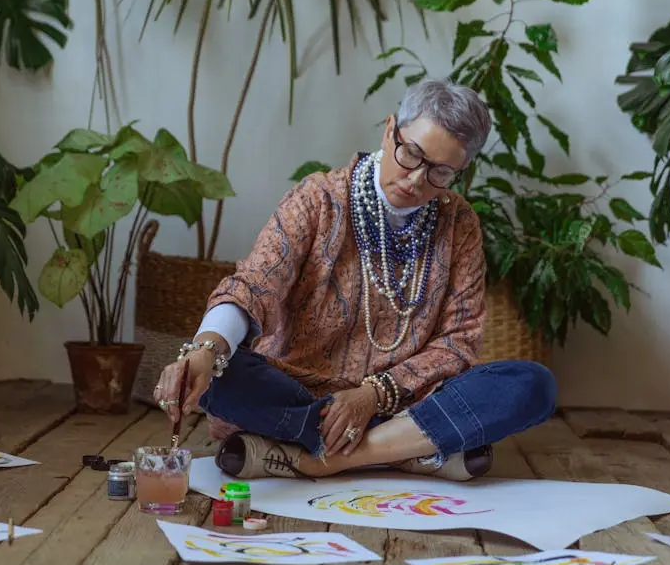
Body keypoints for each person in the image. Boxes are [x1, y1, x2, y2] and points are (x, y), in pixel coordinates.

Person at [153, 77, 557, 482]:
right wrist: (205, 352)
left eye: (441, 172)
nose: (417, 179)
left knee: (532, 385)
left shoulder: (459, 223)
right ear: (389, 129)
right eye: (411, 154)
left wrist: (373, 394)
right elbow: (255, 284)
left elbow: (458, 341)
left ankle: (324, 457)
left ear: (460, 171)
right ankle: (403, 450)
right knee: (217, 377)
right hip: (296, 394)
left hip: (403, 402)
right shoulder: (319, 199)